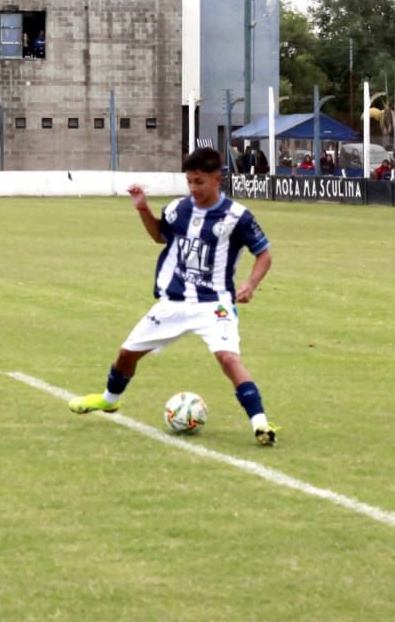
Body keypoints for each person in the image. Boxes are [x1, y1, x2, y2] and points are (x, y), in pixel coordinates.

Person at [68, 147, 278, 446]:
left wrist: (251, 284)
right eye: (189, 181)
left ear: (217, 179)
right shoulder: (178, 209)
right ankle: (109, 400)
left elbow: (264, 255)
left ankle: (260, 424)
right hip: (174, 302)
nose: (193, 188)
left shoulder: (237, 216)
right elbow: (159, 236)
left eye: (200, 182)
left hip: (214, 303)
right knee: (127, 354)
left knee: (229, 359)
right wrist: (143, 209)